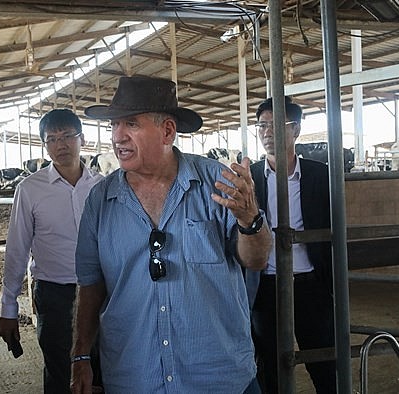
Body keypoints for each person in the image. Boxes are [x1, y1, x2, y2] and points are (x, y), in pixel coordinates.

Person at [70, 76, 272, 394]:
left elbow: (257, 259)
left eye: (131, 124)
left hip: (217, 377)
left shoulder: (217, 184)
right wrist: (80, 354)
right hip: (134, 377)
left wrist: (250, 218)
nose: (117, 137)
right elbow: (91, 285)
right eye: (114, 125)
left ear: (167, 131)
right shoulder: (100, 200)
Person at [0, 108, 104, 393]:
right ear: (45, 145)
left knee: (104, 369)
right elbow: (17, 248)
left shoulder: (101, 186)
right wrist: (9, 307)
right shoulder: (30, 189)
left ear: (82, 139)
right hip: (56, 294)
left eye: (68, 136)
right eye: (52, 138)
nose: (61, 145)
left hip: (102, 292)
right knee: (61, 373)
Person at [247, 96, 336, 393]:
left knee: (324, 361)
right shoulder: (250, 177)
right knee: (269, 366)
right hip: (265, 286)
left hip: (311, 283)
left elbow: (334, 227)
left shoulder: (320, 176)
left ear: (295, 130)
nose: (267, 132)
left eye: (275, 125)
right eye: (261, 125)